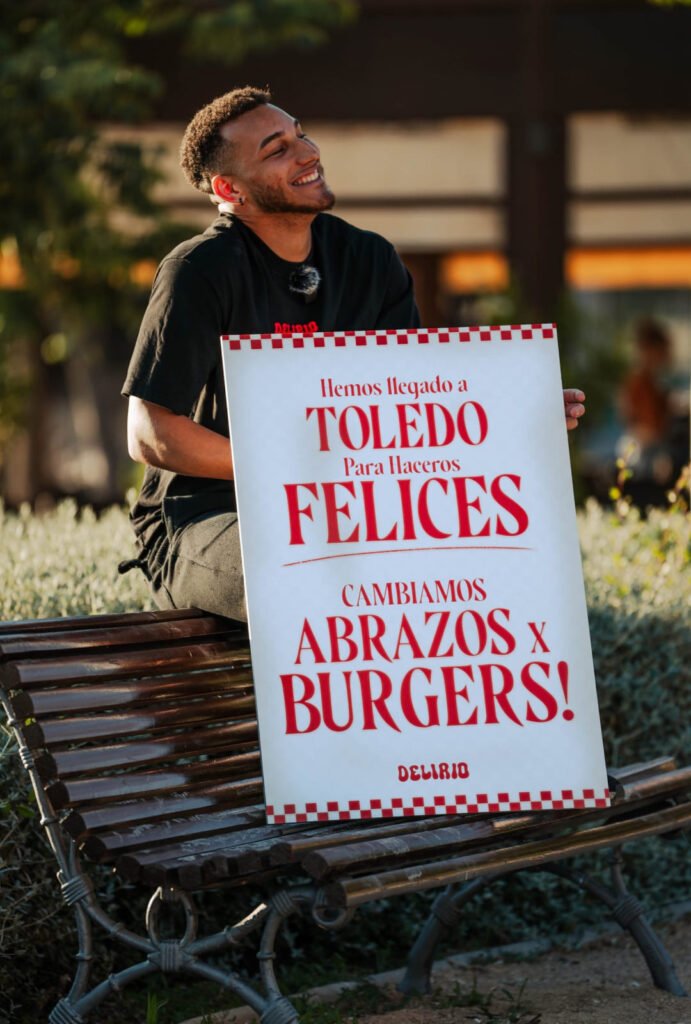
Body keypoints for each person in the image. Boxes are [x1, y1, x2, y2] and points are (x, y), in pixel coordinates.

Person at [122, 86, 586, 620]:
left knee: (490, 564)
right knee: (311, 568)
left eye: (301, 135)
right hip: (203, 520)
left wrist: (510, 413)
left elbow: (412, 405)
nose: (307, 152)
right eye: (276, 150)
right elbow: (149, 433)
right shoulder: (198, 271)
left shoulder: (370, 260)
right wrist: (290, 470)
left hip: (343, 516)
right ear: (230, 188)